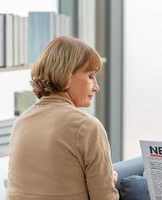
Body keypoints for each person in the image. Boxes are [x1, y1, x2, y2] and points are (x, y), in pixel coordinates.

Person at [7, 36, 119, 200]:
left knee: (125, 170)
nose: (96, 87)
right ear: (67, 76)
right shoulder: (86, 127)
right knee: (138, 177)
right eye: (90, 76)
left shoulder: (21, 123)